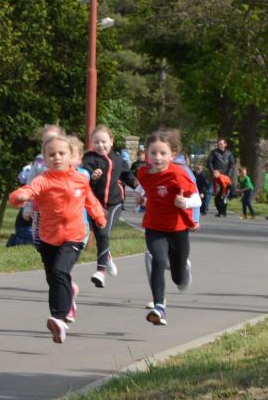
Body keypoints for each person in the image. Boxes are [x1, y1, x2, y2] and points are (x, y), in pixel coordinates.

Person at [9, 132, 106, 345]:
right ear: (45, 158)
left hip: (74, 236)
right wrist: (18, 197)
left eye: (62, 153)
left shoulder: (80, 180)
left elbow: (90, 200)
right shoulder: (43, 180)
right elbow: (28, 190)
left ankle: (59, 319)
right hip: (48, 237)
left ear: (71, 156)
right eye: (51, 155)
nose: (57, 158)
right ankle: (62, 306)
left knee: (60, 272)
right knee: (53, 279)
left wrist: (99, 217)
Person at [136, 129, 200, 326]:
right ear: (147, 154)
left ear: (172, 155)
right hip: (154, 226)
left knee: (178, 279)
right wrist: (139, 195)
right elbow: (144, 186)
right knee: (158, 260)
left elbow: (197, 199)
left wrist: (186, 203)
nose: (157, 157)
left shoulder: (178, 174)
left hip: (178, 229)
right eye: (153, 153)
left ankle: (184, 269)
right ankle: (159, 307)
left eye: (163, 153)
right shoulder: (143, 173)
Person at [82, 125, 131, 288]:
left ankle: (100, 272)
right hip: (94, 204)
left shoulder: (118, 159)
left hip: (114, 203)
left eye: (103, 141)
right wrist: (92, 176)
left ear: (111, 141)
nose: (100, 145)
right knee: (100, 235)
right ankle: (107, 256)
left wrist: (139, 186)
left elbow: (127, 175)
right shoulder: (89, 159)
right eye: (96, 142)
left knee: (103, 233)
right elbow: (83, 177)